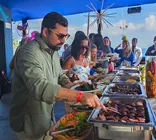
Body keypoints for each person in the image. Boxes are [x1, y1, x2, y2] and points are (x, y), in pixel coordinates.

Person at [9, 12, 104, 140]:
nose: (64, 40)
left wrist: (74, 87)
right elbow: (40, 87)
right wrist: (79, 96)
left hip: (46, 117)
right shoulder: (28, 52)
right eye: (60, 36)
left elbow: (60, 76)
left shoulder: (53, 51)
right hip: (28, 122)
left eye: (66, 36)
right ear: (45, 32)